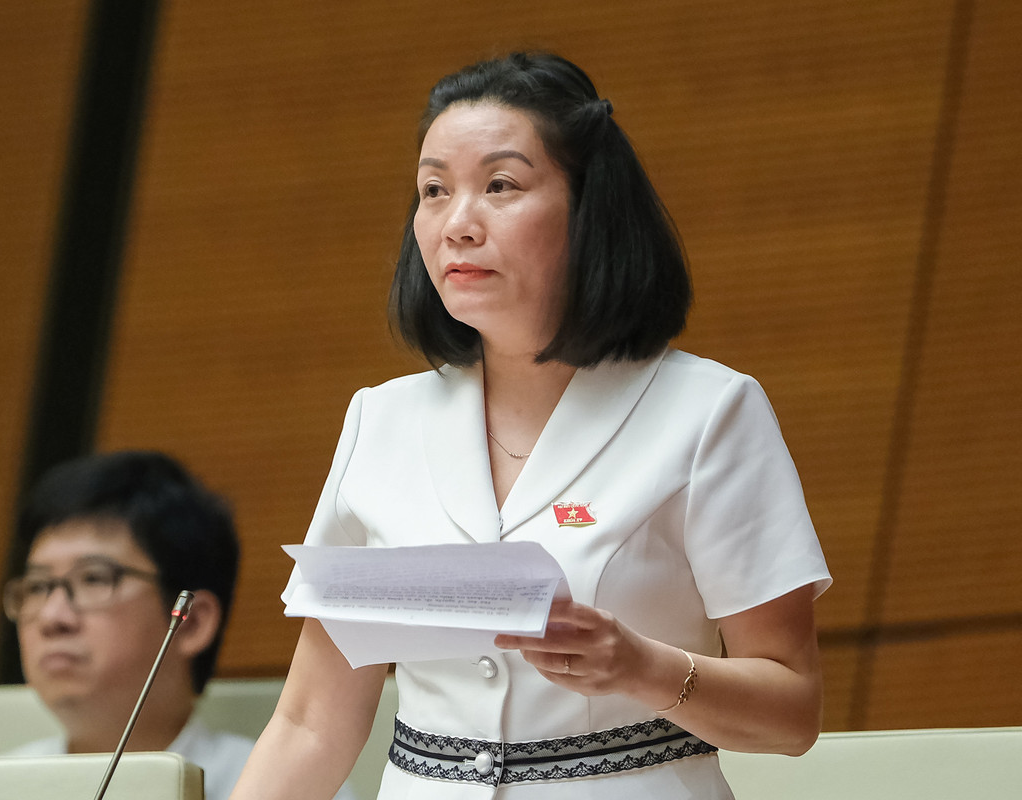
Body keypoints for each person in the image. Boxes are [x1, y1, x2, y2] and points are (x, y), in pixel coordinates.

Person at [227, 52, 831, 800]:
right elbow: (310, 726)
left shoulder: (708, 411)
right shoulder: (379, 421)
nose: (457, 224)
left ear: (589, 207)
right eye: (434, 191)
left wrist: (641, 667)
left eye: (500, 185)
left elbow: (792, 711)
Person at [1, 451, 361, 800]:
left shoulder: (299, 787)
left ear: (192, 623)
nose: (52, 617)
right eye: (37, 587)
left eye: (93, 578)